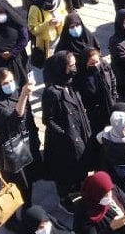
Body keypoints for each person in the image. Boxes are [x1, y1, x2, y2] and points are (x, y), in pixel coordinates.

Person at [42, 51, 92, 210]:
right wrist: (64, 134)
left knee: (80, 166)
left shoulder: (70, 83)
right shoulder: (52, 92)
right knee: (64, 172)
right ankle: (64, 199)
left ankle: (80, 189)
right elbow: (48, 119)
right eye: (71, 66)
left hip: (79, 133)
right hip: (63, 142)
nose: (74, 68)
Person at [73, 170, 125, 234]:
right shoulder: (83, 213)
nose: (109, 196)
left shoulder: (113, 189)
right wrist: (111, 228)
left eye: (109, 191)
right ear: (95, 194)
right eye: (104, 194)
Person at [0, 0, 31, 86]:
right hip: (0, 59)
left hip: (17, 57)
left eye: (1, 12)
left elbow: (24, 39)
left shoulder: (17, 22)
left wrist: (12, 53)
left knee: (22, 81)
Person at [27, 0, 68, 66]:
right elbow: (32, 28)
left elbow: (64, 12)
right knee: (51, 62)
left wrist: (60, 19)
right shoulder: (35, 7)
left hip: (62, 34)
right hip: (46, 42)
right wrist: (47, 24)